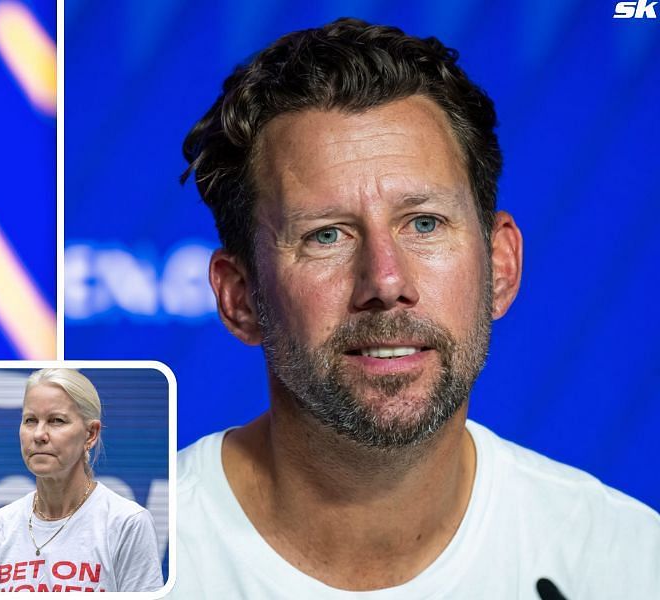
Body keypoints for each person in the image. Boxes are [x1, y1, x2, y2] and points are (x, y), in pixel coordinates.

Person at [174, 17, 660, 599]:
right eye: (326, 235)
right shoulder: (102, 566)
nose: (385, 279)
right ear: (240, 298)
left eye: (424, 223)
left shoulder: (627, 565)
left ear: (500, 266)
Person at [0, 368, 164, 592]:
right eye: (30, 420)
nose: (39, 434)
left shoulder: (127, 522)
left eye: (56, 421)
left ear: (90, 434)